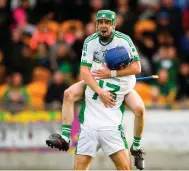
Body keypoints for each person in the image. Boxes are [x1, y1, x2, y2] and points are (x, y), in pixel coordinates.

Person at [46, 10, 145, 170]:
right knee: (68, 94)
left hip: (119, 80)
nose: (103, 26)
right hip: (96, 79)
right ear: (96, 24)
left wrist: (111, 73)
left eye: (107, 22)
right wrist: (100, 91)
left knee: (140, 109)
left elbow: (137, 67)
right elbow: (84, 72)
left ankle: (137, 148)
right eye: (100, 22)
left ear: (114, 25)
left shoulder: (124, 40)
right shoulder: (90, 41)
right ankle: (65, 136)